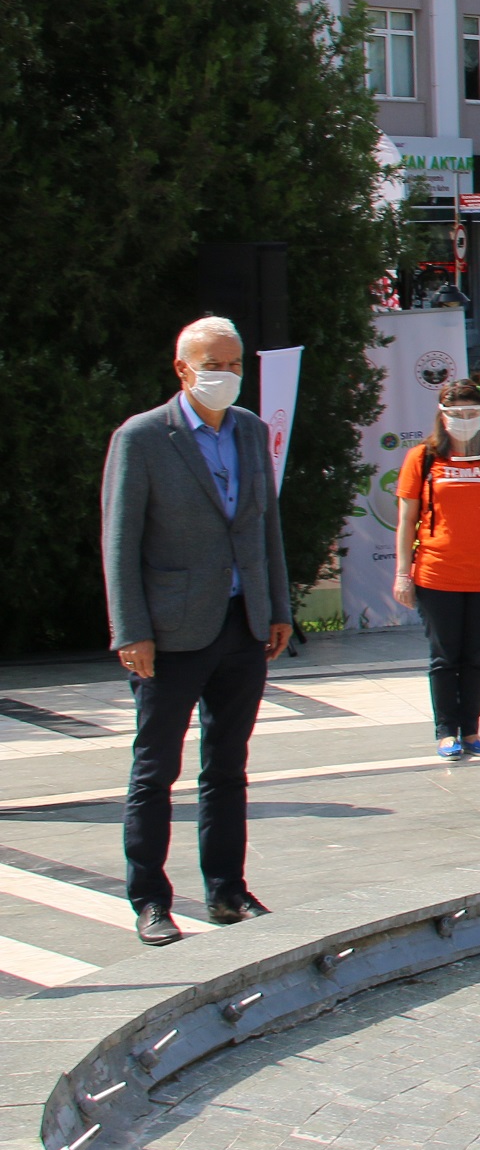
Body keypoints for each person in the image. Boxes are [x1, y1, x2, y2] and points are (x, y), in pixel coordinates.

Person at [102, 317, 292, 944]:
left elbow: (265, 527)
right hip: (171, 630)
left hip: (242, 625)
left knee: (228, 767)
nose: (228, 376)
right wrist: (131, 630)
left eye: (236, 365)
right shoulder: (143, 438)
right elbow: (120, 541)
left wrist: (278, 607)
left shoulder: (249, 430)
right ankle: (150, 900)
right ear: (183, 369)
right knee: (156, 770)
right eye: (215, 364)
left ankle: (227, 891)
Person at [392, 378, 480, 761]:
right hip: (437, 573)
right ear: (443, 416)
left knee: (476, 656)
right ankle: (445, 731)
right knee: (444, 655)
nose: (465, 420)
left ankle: (471, 730)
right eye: (457, 414)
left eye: (473, 413)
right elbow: (407, 520)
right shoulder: (423, 458)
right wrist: (403, 573)